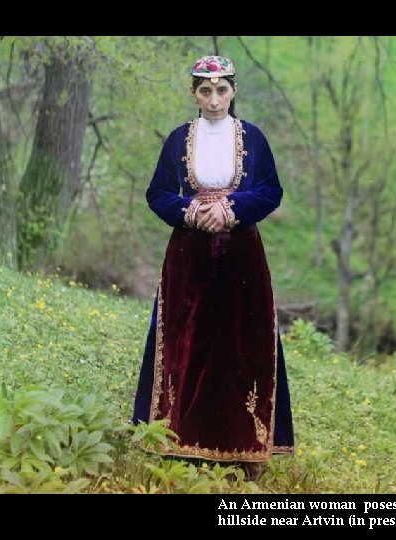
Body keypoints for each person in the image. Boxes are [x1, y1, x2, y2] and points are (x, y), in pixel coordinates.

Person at [131, 55, 294, 478]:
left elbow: (270, 191)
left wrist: (232, 209)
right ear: (194, 93)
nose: (214, 99)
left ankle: (245, 448)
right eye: (206, 90)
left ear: (233, 91)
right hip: (189, 257)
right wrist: (189, 211)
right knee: (188, 344)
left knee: (242, 343)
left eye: (222, 90)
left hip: (242, 255)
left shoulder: (253, 139)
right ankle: (180, 441)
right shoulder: (177, 140)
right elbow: (157, 193)